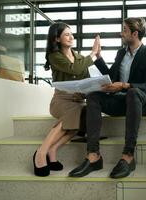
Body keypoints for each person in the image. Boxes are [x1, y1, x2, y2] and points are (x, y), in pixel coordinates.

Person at [69, 17, 146, 178]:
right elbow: (111, 77)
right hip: (120, 101)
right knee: (94, 97)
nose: (121, 33)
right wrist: (98, 56)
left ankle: (128, 156)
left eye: (124, 30)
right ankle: (93, 156)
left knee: (132, 92)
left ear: (135, 33)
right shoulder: (121, 53)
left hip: (139, 101)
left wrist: (125, 85)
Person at [32, 22, 100, 177]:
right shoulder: (55, 56)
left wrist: (84, 93)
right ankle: (40, 153)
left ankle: (53, 150)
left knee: (77, 124)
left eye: (71, 34)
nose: (71, 37)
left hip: (77, 100)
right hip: (60, 100)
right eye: (67, 34)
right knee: (73, 113)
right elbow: (74, 69)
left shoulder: (80, 58)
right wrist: (93, 53)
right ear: (57, 39)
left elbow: (86, 82)